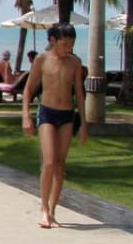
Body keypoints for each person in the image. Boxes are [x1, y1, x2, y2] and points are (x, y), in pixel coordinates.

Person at [22, 23, 87, 229]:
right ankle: (43, 208)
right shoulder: (42, 59)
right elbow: (28, 89)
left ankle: (52, 210)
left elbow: (79, 94)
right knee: (49, 162)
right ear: (53, 40)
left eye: (71, 44)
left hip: (67, 115)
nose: (68, 48)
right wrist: (25, 115)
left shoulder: (75, 62)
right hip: (47, 113)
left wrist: (84, 123)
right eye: (64, 43)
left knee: (60, 164)